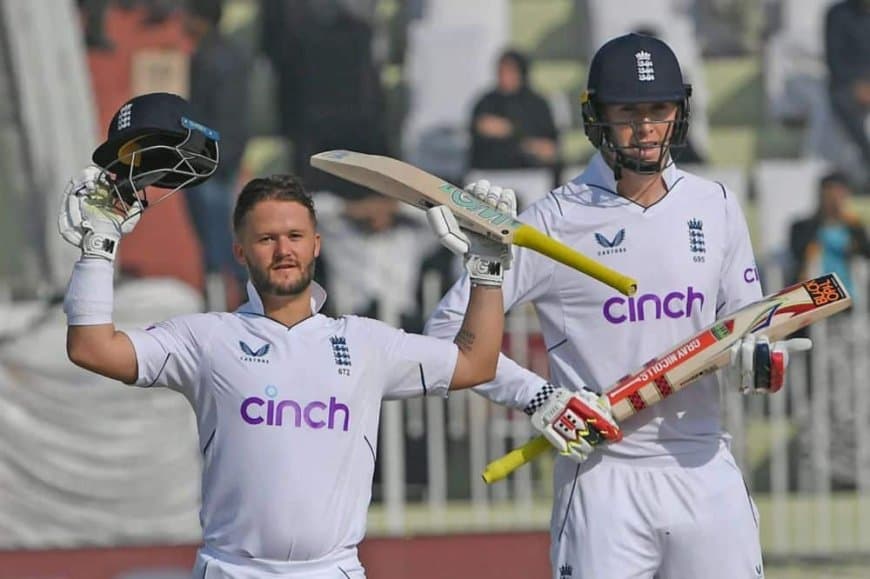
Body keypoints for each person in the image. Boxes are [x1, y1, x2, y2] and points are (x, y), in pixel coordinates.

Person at [58, 95, 513, 577]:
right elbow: (91, 347)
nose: (283, 251)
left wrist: (486, 270)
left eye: (295, 236)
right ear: (240, 251)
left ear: (316, 245)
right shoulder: (206, 339)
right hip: (233, 569)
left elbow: (475, 363)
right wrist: (98, 249)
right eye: (266, 239)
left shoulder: (365, 344)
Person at [426, 33, 809, 579]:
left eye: (659, 110)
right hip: (603, 476)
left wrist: (761, 358)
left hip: (703, 467)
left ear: (680, 113)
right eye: (628, 112)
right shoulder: (552, 220)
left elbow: (747, 326)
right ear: (596, 117)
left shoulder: (716, 204)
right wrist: (541, 398)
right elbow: (444, 329)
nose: (646, 127)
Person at [182, 0, 251, 310]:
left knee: (217, 248)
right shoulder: (233, 54)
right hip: (225, 159)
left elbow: (205, 114)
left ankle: (220, 309)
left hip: (209, 162)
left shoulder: (207, 58)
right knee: (229, 242)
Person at [469, 49, 559, 171]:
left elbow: (550, 147)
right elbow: (481, 126)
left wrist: (516, 134)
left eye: (510, 71)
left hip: (530, 174)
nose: (504, 76)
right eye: (501, 71)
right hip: (490, 173)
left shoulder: (537, 105)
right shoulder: (487, 102)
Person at [789, 171, 870, 294]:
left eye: (838, 194)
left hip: (848, 291)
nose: (834, 200)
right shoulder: (802, 226)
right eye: (829, 195)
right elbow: (797, 253)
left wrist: (851, 226)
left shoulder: (853, 226)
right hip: (816, 291)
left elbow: (865, 252)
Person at [825, 0, 870, 185]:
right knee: (845, 103)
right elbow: (835, 59)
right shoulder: (837, 14)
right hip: (848, 86)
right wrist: (858, 85)